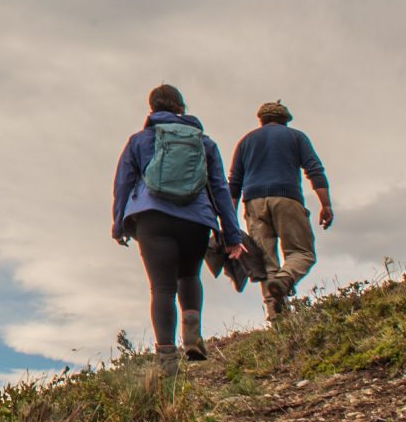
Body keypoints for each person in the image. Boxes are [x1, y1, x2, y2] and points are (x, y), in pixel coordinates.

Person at [111, 83, 241, 370]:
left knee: (162, 288)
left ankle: (167, 359)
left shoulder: (139, 141)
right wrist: (230, 233)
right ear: (182, 108)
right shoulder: (204, 142)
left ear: (152, 109)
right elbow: (220, 188)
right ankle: (193, 337)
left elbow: (122, 184)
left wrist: (119, 222)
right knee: (189, 276)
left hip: (152, 218)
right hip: (196, 220)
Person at [228, 100, 333, 318]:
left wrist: (229, 219)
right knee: (302, 253)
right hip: (287, 198)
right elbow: (314, 170)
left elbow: (234, 183)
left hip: (254, 203)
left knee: (266, 263)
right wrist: (326, 204)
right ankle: (285, 279)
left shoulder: (246, 141)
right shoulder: (296, 137)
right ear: (286, 120)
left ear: (261, 120)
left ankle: (277, 317)